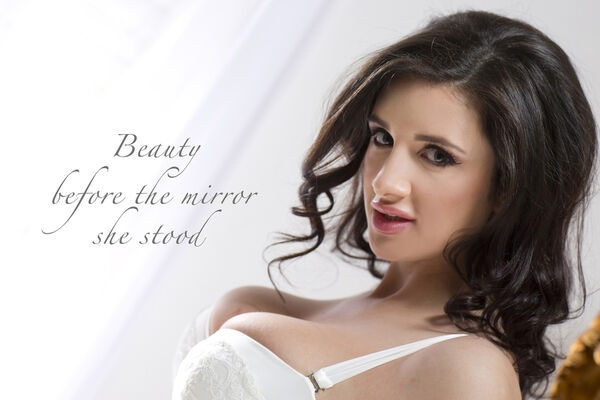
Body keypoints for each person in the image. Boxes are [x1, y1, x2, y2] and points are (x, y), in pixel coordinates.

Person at [171, 10, 597, 400]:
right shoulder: (269, 306)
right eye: (383, 138)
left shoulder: (469, 372)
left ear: (508, 187)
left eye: (437, 155)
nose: (384, 182)